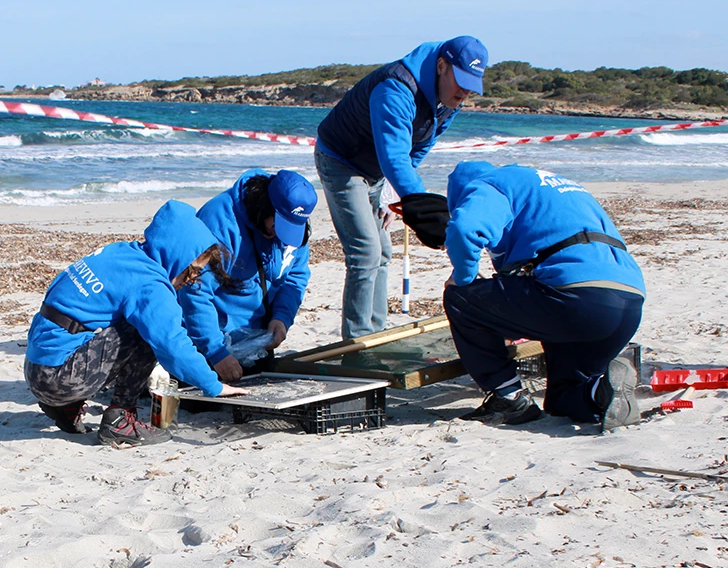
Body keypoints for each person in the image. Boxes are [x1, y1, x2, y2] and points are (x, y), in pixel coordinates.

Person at [25, 200, 247, 446]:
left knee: (126, 319)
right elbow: (172, 344)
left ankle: (66, 407)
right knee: (148, 329)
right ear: (178, 253)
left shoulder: (121, 252)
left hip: (37, 366)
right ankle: (120, 419)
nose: (192, 279)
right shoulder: (150, 284)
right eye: (192, 270)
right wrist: (213, 386)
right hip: (59, 380)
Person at [440, 161, 644, 429]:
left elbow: (464, 229)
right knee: (563, 399)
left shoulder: (489, 184)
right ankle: (602, 390)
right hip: (628, 302)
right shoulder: (548, 188)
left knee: (460, 298)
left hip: (574, 296)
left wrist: (462, 277)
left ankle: (508, 397)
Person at [313, 36, 488, 338]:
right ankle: (357, 340)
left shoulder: (449, 100)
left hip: (376, 168)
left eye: (472, 85)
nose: (465, 92)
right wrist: (420, 206)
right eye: (461, 81)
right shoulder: (395, 88)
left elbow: (420, 146)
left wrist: (393, 194)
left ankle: (376, 333)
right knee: (365, 250)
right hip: (341, 160)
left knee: (383, 250)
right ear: (441, 66)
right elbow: (393, 156)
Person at [181, 169, 317, 383]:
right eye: (276, 227)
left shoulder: (295, 225)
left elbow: (295, 277)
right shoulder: (220, 224)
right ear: (264, 207)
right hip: (208, 338)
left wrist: (282, 317)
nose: (280, 236)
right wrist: (216, 352)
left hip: (255, 339)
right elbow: (194, 290)